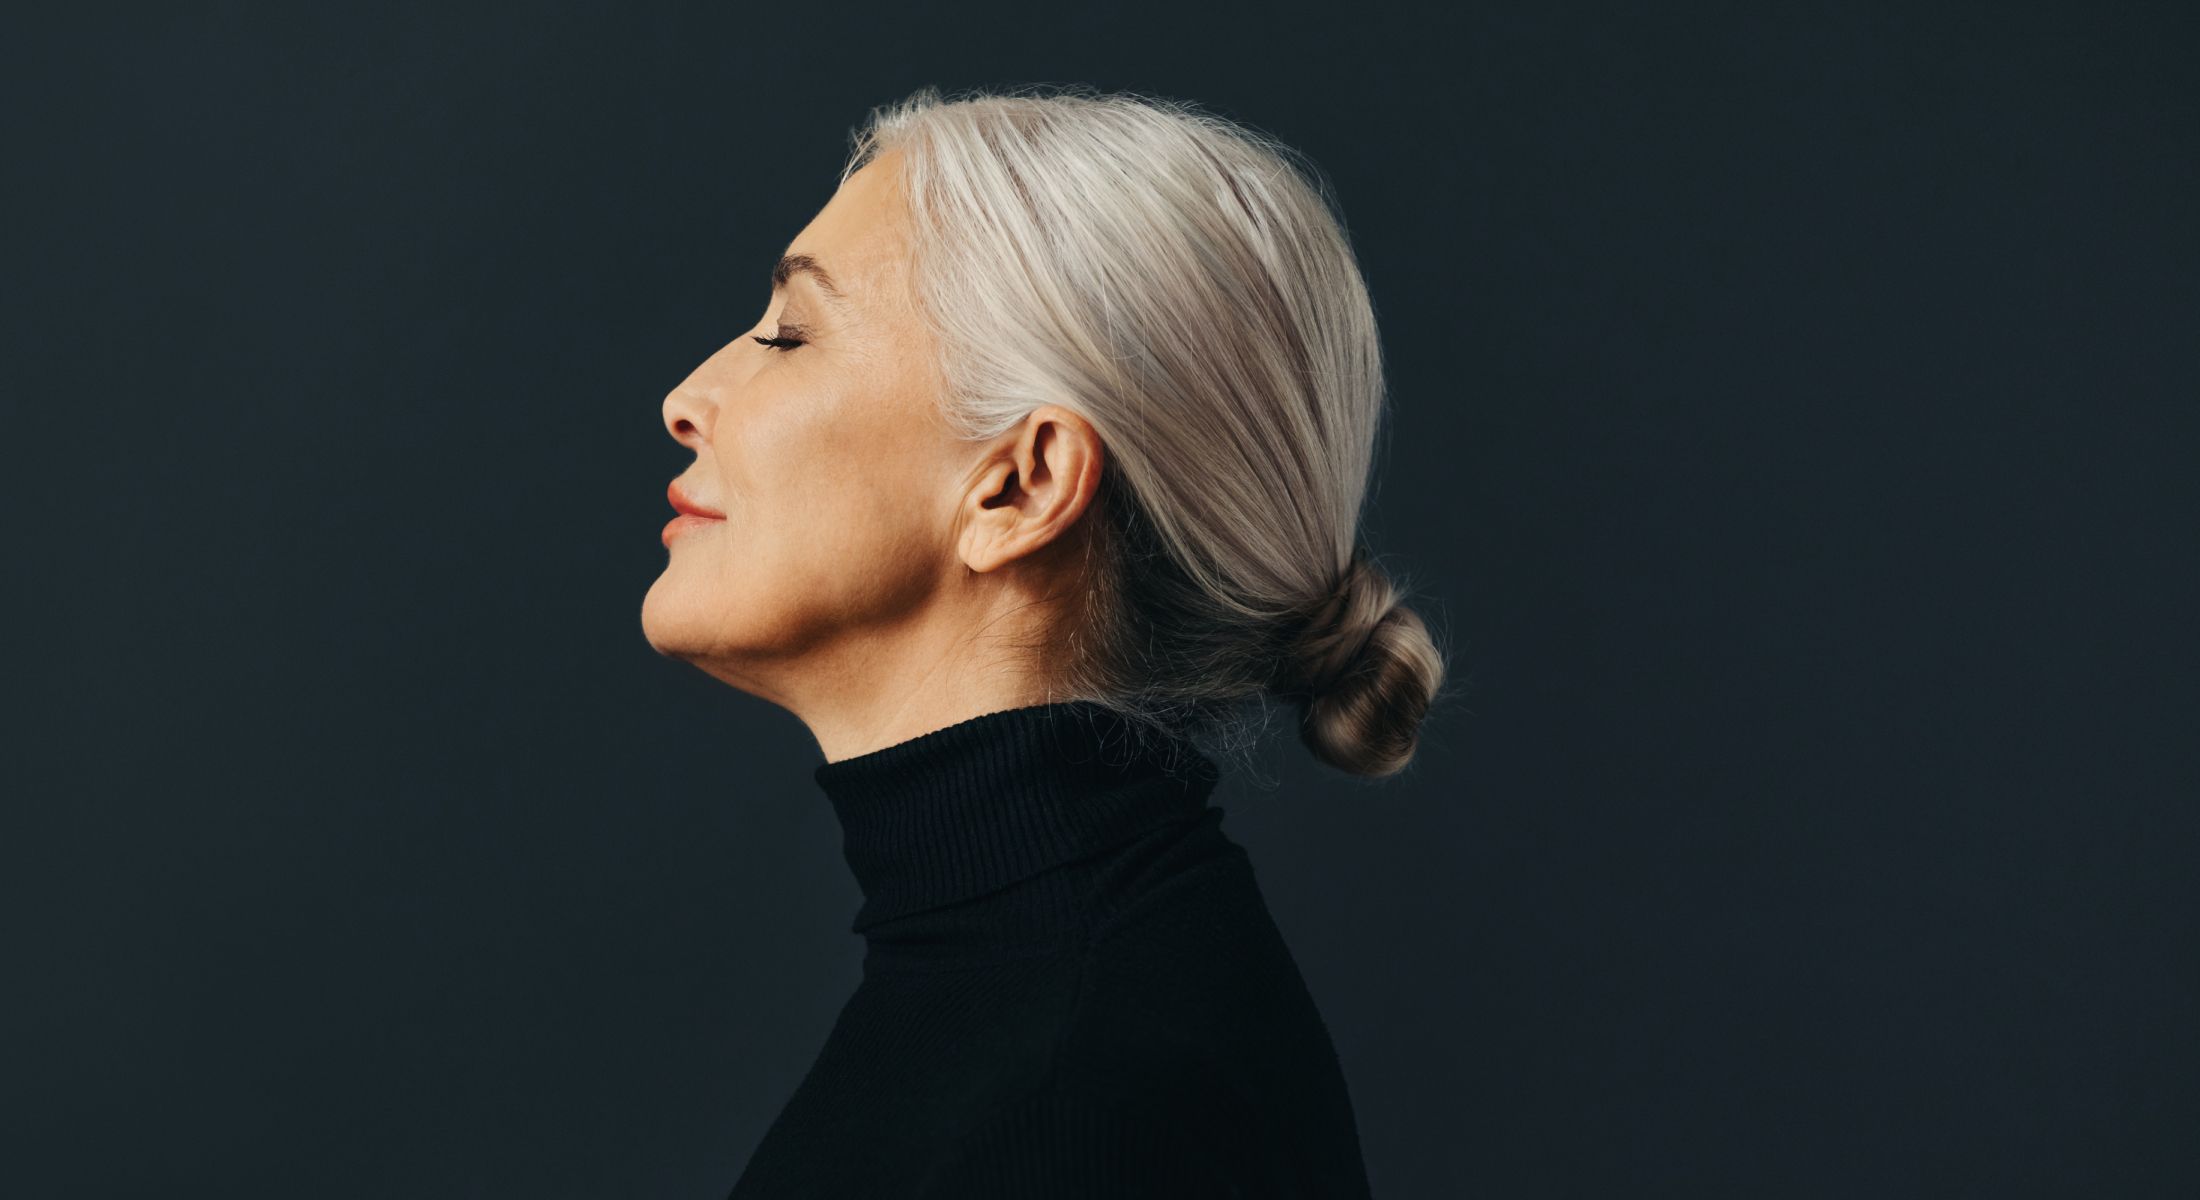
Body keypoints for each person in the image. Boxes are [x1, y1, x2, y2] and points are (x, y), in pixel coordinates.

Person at [642, 82, 1450, 1198]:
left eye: (788, 335)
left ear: (1019, 486)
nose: (689, 397)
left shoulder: (1071, 1103)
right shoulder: (1043, 992)